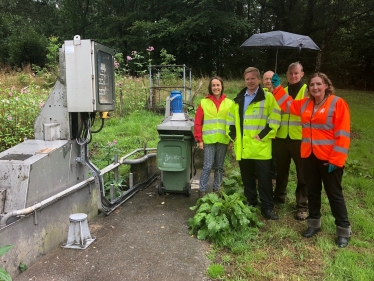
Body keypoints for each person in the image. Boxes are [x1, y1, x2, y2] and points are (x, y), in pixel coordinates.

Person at [272, 72, 351, 248]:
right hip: (309, 156)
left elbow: (343, 135)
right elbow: (287, 105)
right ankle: (313, 224)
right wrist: (277, 88)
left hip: (330, 160)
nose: (315, 87)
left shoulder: (337, 103)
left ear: (326, 86)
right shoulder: (306, 104)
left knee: (334, 194)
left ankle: (343, 230)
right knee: (312, 192)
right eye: (312, 85)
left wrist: (336, 160)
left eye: (318, 84)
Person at [226, 67, 281, 220]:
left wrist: (263, 134)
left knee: (264, 180)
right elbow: (230, 119)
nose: (250, 81)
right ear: (245, 80)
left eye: (253, 78)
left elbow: (275, 118)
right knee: (247, 179)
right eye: (247, 79)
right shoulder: (238, 99)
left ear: (259, 80)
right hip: (243, 147)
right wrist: (233, 135)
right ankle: (251, 203)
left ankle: (267, 207)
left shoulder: (268, 97)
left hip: (260, 147)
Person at [273, 62, 308, 221]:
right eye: (290, 73)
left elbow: (303, 111)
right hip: (281, 137)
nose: (293, 76)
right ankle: (279, 197)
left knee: (302, 174)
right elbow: (276, 113)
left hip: (299, 138)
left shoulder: (306, 90)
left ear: (302, 74)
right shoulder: (283, 91)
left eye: (296, 73)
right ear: (286, 75)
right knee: (281, 171)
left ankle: (302, 206)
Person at [194, 76, 233, 197]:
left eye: (218, 85)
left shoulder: (230, 103)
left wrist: (231, 140)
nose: (216, 87)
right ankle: (202, 190)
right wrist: (199, 140)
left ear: (222, 87)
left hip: (223, 140)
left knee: (219, 167)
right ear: (210, 88)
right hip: (209, 140)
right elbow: (198, 122)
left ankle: (217, 189)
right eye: (213, 85)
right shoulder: (204, 102)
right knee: (207, 166)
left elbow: (233, 123)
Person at [262, 70, 277, 186]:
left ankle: (274, 181)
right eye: (266, 79)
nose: (268, 81)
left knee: (275, 161)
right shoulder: (259, 94)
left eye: (271, 78)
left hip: (278, 134)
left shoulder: (281, 94)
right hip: (262, 134)